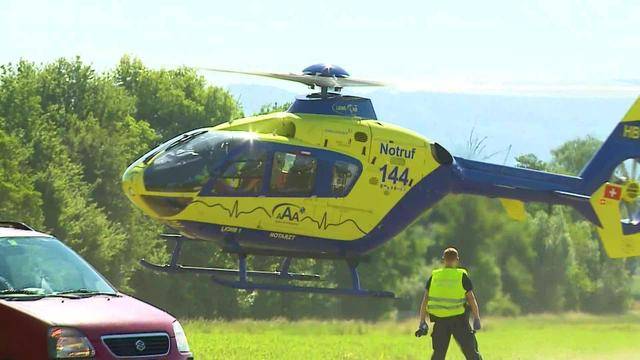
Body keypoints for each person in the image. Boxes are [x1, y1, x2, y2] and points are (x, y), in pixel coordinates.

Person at [415, 247, 483, 360]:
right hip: (459, 321)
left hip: (440, 321)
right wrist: (476, 318)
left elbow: (425, 300)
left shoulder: (434, 277)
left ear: (443, 260)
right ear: (457, 260)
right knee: (471, 353)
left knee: (438, 355)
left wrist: (422, 322)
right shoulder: (461, 276)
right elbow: (471, 299)